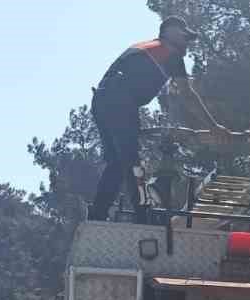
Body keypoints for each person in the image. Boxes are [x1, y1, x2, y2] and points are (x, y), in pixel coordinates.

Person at [88, 16, 229, 221]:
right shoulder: (170, 53)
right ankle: (143, 213)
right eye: (184, 36)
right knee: (132, 162)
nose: (186, 44)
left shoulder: (144, 47)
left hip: (101, 101)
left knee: (117, 163)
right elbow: (187, 95)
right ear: (169, 31)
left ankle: (97, 215)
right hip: (120, 102)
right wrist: (213, 126)